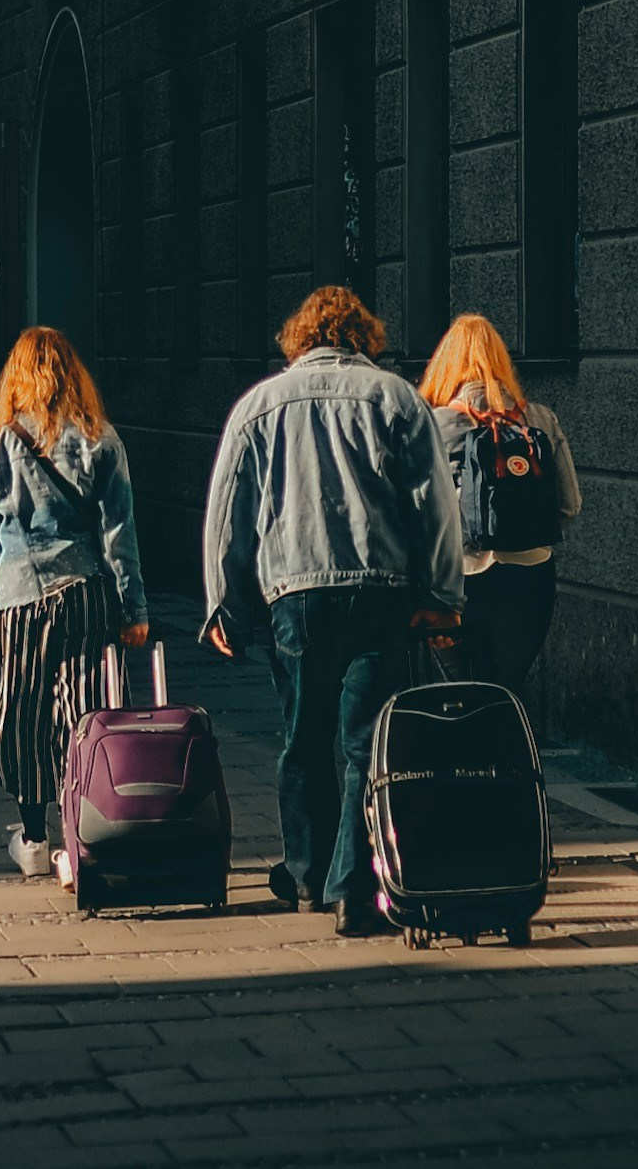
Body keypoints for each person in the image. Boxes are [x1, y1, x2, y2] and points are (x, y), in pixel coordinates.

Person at [201, 284, 463, 934]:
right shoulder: (397, 398)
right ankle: (354, 886)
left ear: (299, 338)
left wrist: (224, 605)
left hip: (292, 593)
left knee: (301, 736)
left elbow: (227, 515)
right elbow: (436, 507)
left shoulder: (257, 406)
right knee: (366, 743)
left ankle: (305, 875)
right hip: (380, 591)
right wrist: (441, 595)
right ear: (364, 336)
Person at [0, 326, 150, 879]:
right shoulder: (100, 438)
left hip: (19, 600)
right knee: (86, 714)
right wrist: (133, 608)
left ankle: (35, 841)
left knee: (26, 715)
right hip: (87, 591)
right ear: (73, 375)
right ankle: (80, 838)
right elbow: (120, 534)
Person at [419, 313, 582, 696]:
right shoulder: (539, 418)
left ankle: (467, 751)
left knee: (462, 693)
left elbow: (417, 513)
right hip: (530, 577)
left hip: (456, 580)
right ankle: (505, 751)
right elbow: (569, 504)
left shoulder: (433, 424)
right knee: (505, 692)